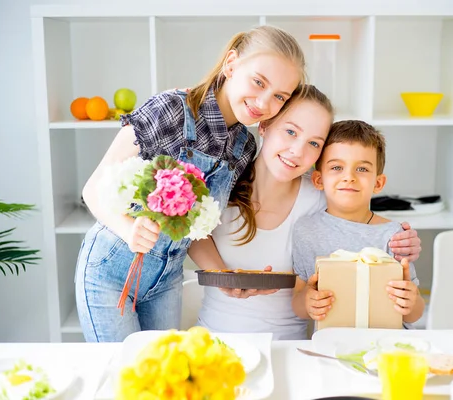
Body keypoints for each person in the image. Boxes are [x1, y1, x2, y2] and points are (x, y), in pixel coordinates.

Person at [75, 25, 307, 342]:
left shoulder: (243, 147)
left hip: (166, 281)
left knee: (163, 378)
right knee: (125, 380)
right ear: (231, 64)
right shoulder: (170, 109)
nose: (264, 103)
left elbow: (196, 231)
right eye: (258, 82)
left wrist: (224, 276)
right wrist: (130, 229)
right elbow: (93, 189)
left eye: (279, 96)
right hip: (110, 273)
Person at [189, 87, 422, 340]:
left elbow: (361, 221)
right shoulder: (222, 181)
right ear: (264, 125)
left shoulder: (321, 194)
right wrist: (222, 276)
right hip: (212, 336)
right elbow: (190, 234)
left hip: (289, 344)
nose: (298, 151)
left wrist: (404, 241)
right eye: (290, 132)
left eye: (313, 143)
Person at [291, 120, 426, 327]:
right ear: (318, 179)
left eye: (362, 169)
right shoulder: (306, 231)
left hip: (387, 346)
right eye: (336, 167)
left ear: (378, 183)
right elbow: (298, 303)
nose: (349, 177)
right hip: (331, 345)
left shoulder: (393, 235)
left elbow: (414, 313)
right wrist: (308, 302)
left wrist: (412, 301)